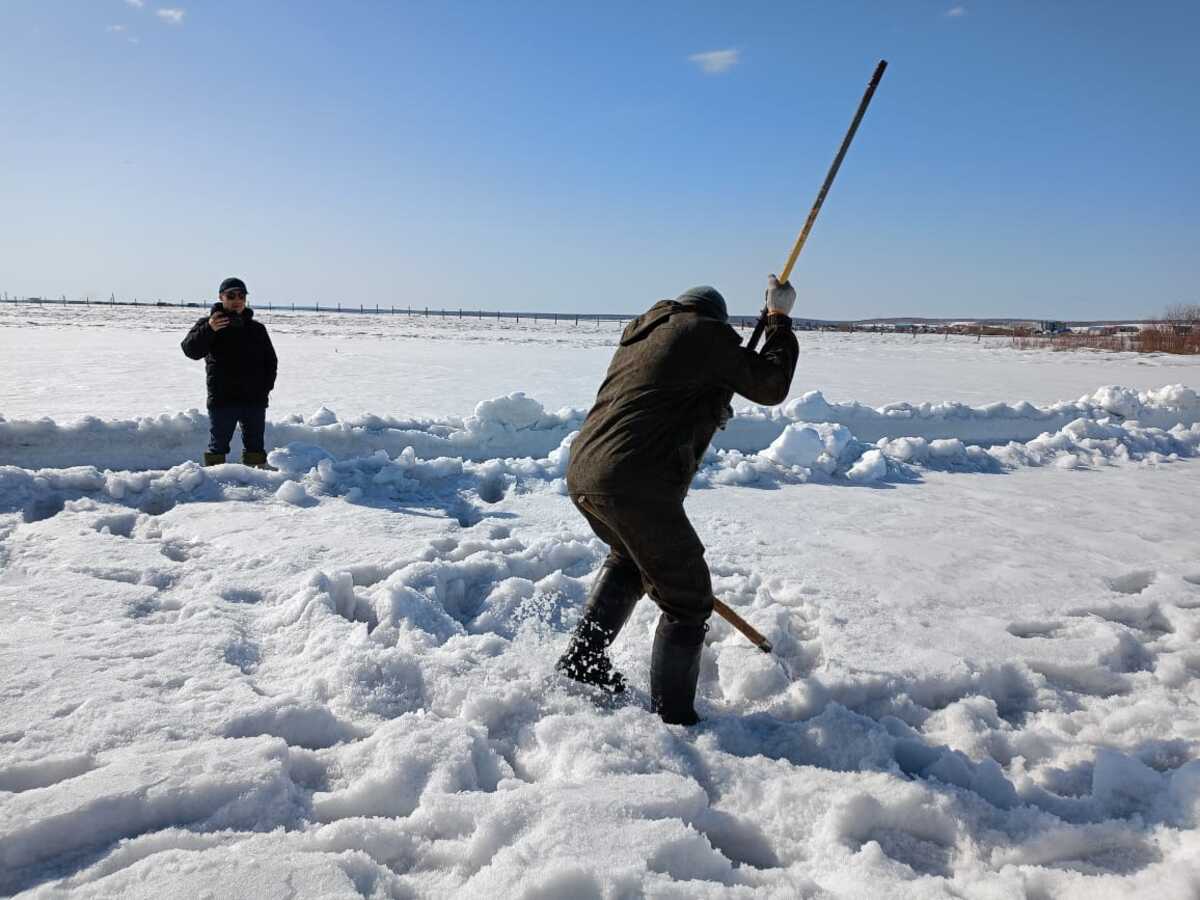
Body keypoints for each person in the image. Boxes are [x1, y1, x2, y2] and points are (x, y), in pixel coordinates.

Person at [560, 276, 799, 725]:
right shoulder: (702, 332)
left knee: (632, 560)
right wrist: (779, 322)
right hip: (633, 482)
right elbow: (770, 385)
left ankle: (582, 663)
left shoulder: (644, 334)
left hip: (586, 472)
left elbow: (664, 398)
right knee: (687, 599)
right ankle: (673, 721)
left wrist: (708, 404)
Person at [181, 277, 278, 468]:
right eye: (231, 295)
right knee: (218, 446)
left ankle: (257, 484)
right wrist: (210, 329)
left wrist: (264, 389)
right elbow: (190, 350)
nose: (236, 299)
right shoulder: (208, 324)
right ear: (221, 297)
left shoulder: (257, 329)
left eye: (241, 295)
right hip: (222, 398)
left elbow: (271, 361)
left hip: (254, 400)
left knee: (255, 447)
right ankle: (214, 485)